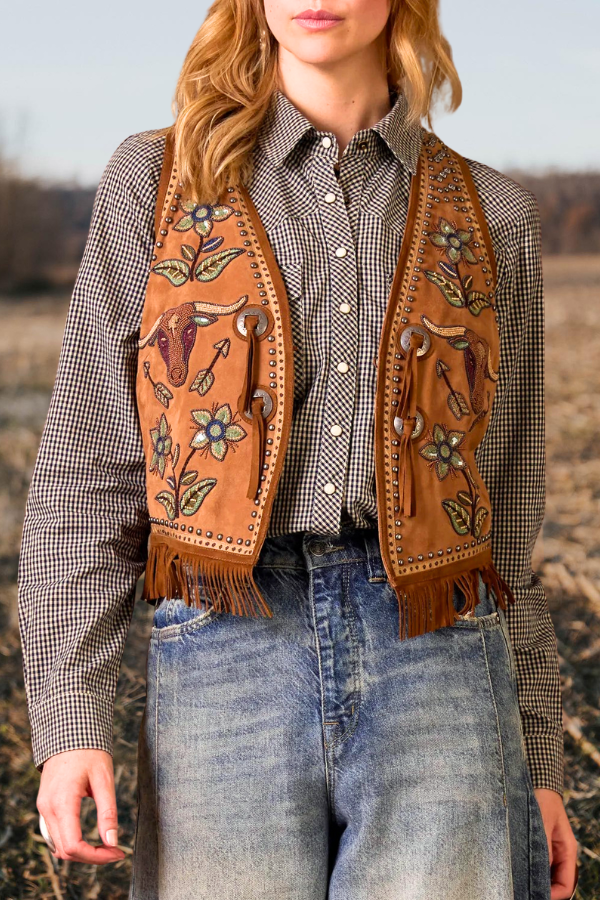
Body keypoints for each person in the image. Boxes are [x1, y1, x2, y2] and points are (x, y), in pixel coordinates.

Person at [18, 0, 579, 898]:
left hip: (440, 657)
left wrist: (538, 758)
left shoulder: (492, 211)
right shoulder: (157, 179)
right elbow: (88, 473)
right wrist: (70, 717)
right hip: (223, 646)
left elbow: (505, 514)